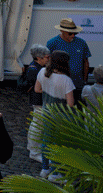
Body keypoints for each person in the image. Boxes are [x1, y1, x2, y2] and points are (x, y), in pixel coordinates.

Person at [35, 50, 76, 178]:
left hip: (47, 111)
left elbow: (37, 89)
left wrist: (48, 91)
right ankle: (56, 172)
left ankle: (45, 169)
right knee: (58, 143)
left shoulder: (42, 72)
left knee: (46, 140)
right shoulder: (66, 80)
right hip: (61, 116)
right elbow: (70, 103)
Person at [46, 17, 91, 96]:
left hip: (78, 83)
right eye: (70, 33)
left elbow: (85, 62)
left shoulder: (81, 43)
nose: (73, 35)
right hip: (59, 84)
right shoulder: (52, 43)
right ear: (62, 31)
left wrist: (84, 80)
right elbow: (47, 62)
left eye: (75, 33)